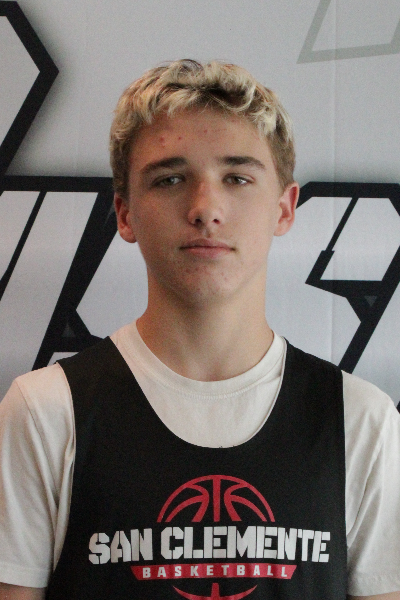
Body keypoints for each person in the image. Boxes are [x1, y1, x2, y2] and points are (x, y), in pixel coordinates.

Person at [0, 59, 399, 600]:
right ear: (124, 213)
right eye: (170, 179)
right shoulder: (45, 411)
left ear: (284, 209)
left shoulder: (360, 419)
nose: (205, 208)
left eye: (237, 178)